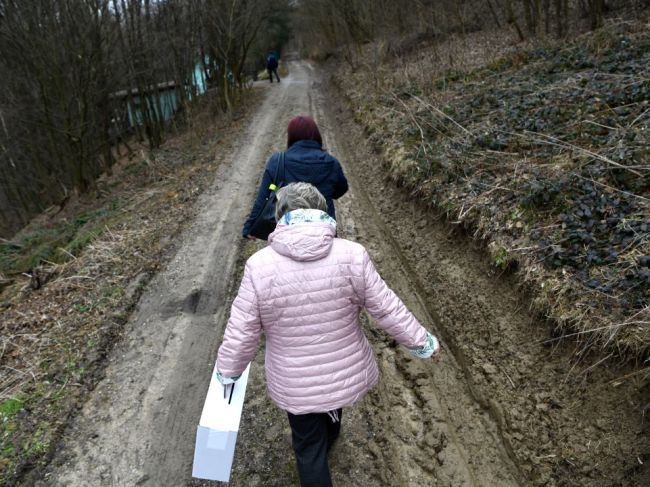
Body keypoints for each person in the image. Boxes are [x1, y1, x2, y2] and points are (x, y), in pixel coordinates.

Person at [217, 182, 441, 487]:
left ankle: (320, 449)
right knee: (331, 403)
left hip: (295, 382)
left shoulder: (259, 267)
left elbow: (241, 330)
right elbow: (387, 308)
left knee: (308, 448)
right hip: (341, 370)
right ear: (321, 210)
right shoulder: (352, 255)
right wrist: (422, 343)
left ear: (280, 215)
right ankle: (332, 431)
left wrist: (228, 373)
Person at [242, 115, 348, 239]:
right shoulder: (331, 163)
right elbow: (342, 189)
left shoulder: (278, 161)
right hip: (324, 232)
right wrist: (326, 191)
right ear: (316, 135)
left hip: (287, 234)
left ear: (291, 137)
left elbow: (264, 196)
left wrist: (250, 226)